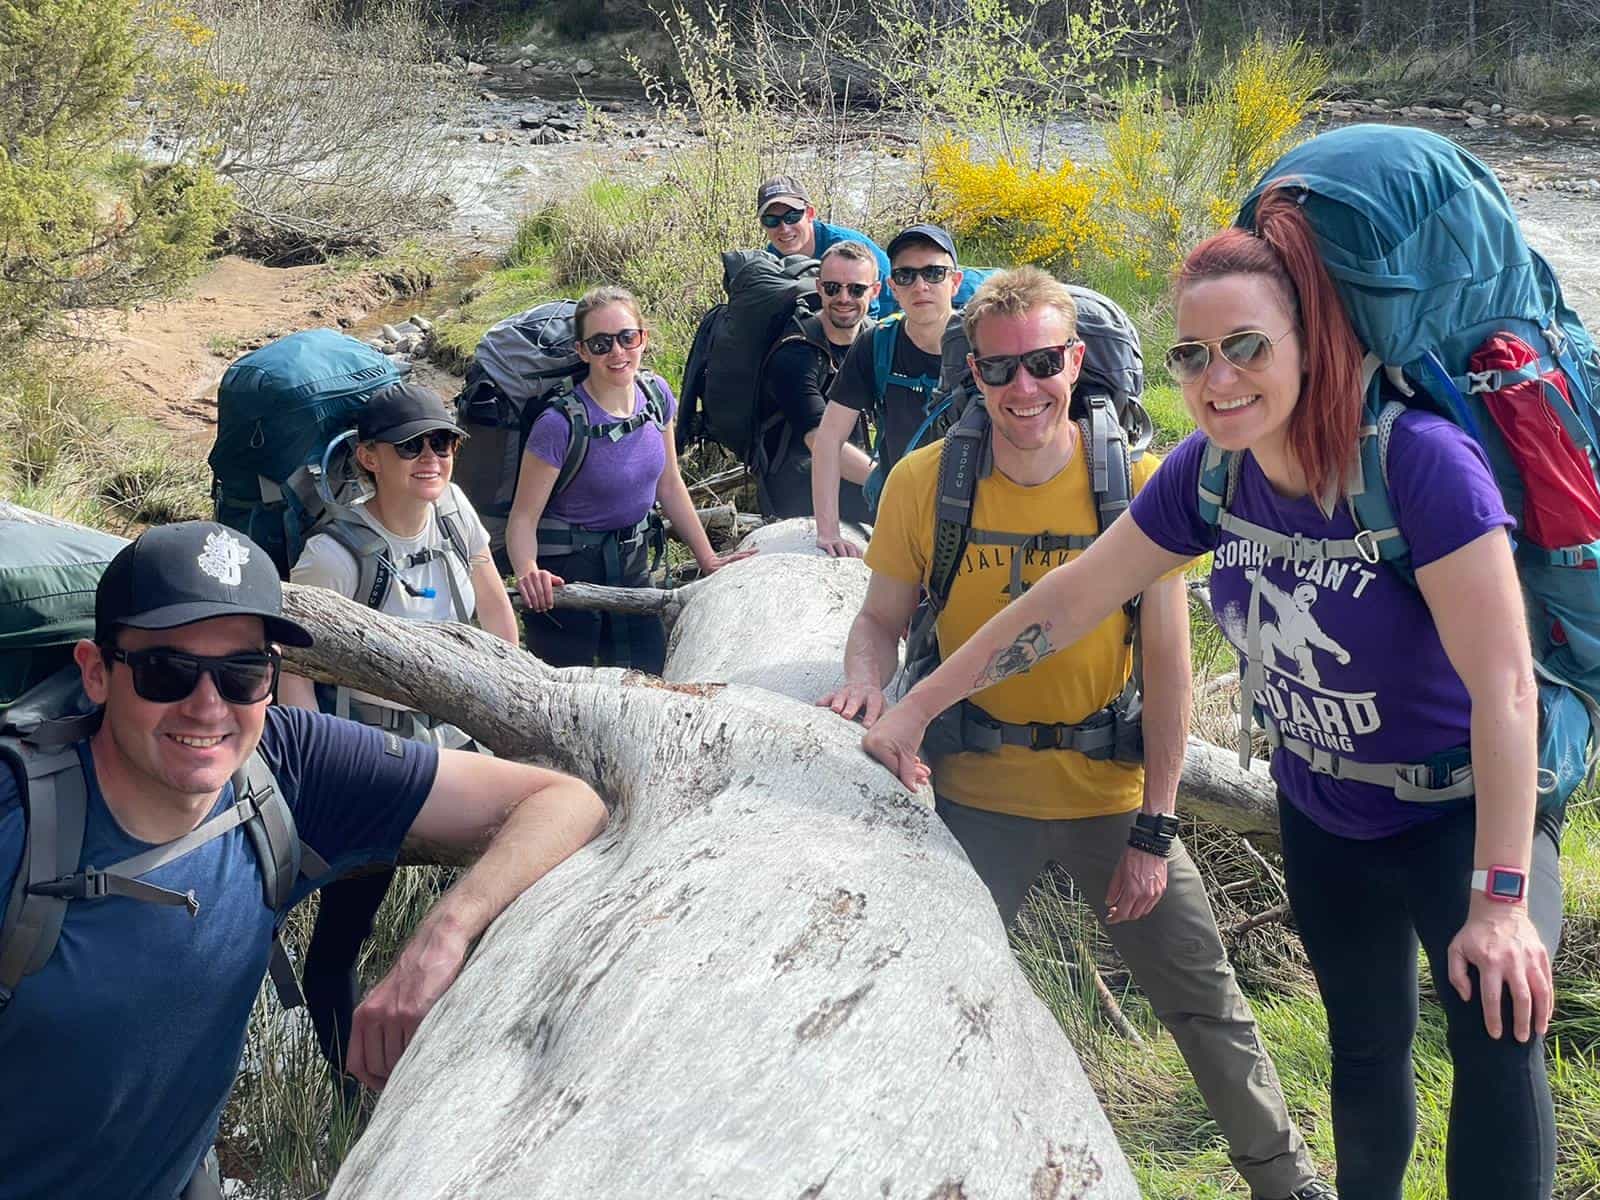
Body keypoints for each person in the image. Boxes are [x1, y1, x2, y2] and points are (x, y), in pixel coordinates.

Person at [860, 193, 1560, 1200]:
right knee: (1365, 1053)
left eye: (1245, 347)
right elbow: (1068, 599)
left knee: (1495, 1048)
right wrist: (916, 705)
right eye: (1192, 356)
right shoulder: (1208, 475)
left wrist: (1498, 900)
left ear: (1308, 341)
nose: (1217, 379)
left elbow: (1502, 687)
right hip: (1327, 809)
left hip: (1463, 811)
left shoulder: (1415, 464)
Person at [819, 267, 1330, 1200]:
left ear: (1076, 360)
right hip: (968, 799)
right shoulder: (925, 485)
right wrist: (861, 682)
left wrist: (1157, 827)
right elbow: (879, 621)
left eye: (1044, 363)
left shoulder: (1138, 485)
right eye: (1000, 369)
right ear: (971, 375)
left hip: (1112, 797)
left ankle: (1285, 1182)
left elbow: (1170, 671)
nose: (1024, 389)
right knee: (923, 1001)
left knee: (1205, 1004)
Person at [0, 520, 607, 1199]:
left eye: (243, 672)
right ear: (97, 672)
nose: (208, 707)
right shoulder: (18, 829)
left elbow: (564, 801)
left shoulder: (286, 765)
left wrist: (442, 936)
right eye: (166, 671)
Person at [279, 379, 519, 1092]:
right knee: (341, 940)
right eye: (411, 445)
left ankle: (463, 1066)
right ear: (368, 458)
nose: (431, 457)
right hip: (375, 763)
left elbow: (497, 610)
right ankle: (352, 1089)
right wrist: (321, 770)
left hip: (461, 746)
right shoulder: (333, 555)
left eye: (443, 441)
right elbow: (294, 665)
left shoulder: (453, 511)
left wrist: (516, 709)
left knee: (499, 904)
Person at [507, 285, 752, 672]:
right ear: (582, 351)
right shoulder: (559, 425)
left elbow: (669, 482)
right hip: (566, 576)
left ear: (643, 338)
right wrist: (528, 571)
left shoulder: (656, 395)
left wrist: (707, 558)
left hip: (632, 563)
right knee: (569, 690)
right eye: (601, 343)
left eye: (626, 337)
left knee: (646, 674)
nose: (618, 352)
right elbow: (523, 518)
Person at [811, 223, 963, 556]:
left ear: (955, 282)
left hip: (976, 511)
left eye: (934, 273)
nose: (920, 285)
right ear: (893, 287)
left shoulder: (985, 342)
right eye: (906, 275)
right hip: (901, 514)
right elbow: (828, 438)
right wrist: (828, 531)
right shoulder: (878, 344)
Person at [754, 240, 879, 523]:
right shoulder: (795, 354)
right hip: (800, 480)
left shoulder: (875, 342)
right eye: (833, 288)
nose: (844, 298)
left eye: (856, 289)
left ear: (875, 291)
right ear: (820, 288)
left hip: (856, 464)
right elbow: (821, 441)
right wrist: (891, 484)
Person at [757, 175, 895, 319]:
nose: (784, 228)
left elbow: (868, 313)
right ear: (762, 224)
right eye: (771, 220)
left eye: (792, 217)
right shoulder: (772, 259)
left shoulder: (844, 250)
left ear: (810, 214)